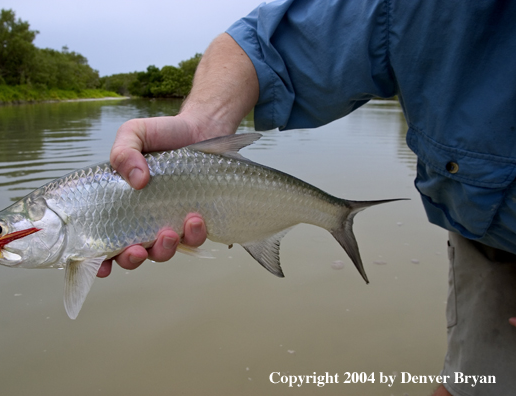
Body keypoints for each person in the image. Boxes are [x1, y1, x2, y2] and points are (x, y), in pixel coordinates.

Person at [97, 1, 516, 395]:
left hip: (489, 209)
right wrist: (199, 122)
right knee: (471, 382)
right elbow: (265, 44)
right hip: (490, 233)